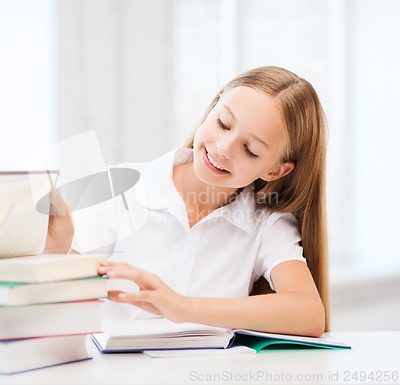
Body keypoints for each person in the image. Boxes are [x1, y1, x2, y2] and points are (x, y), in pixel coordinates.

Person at [45, 66, 328, 337]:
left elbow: (309, 313)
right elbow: (67, 298)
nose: (223, 148)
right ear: (212, 108)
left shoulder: (266, 224)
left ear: (275, 171)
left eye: (250, 150)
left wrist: (181, 306)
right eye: (223, 123)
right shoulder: (120, 188)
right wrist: (56, 253)